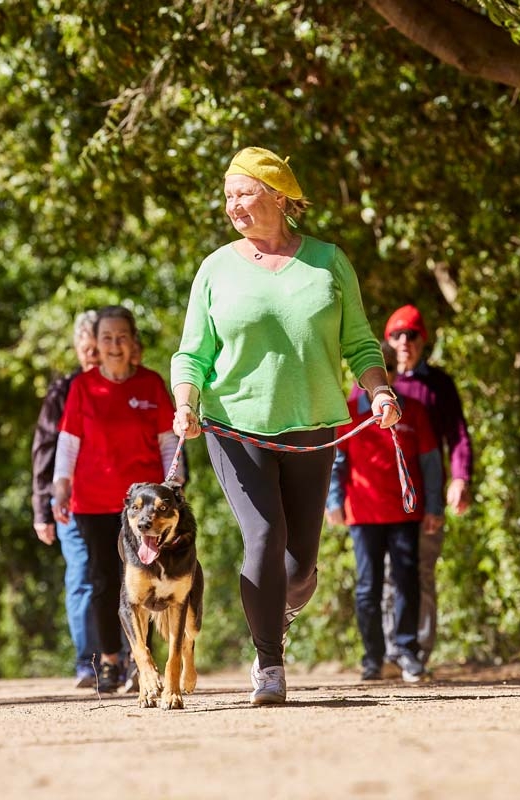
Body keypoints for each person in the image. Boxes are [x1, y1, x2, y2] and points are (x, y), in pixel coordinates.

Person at [171, 146, 401, 706]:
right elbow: (192, 354)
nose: (233, 206)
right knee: (265, 536)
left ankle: (283, 599)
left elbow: (359, 341)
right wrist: (186, 402)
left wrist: (379, 390)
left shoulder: (328, 261)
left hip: (315, 424)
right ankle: (269, 663)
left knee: (299, 565)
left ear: (277, 195)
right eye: (227, 197)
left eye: (243, 194)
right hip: (234, 424)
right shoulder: (216, 268)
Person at [53, 306, 181, 693]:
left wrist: (174, 484)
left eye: (121, 336)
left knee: (147, 583)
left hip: (144, 510)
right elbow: (68, 443)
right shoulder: (83, 386)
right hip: (94, 502)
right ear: (96, 343)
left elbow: (168, 442)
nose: (113, 345)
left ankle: (141, 661)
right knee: (104, 581)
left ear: (132, 342)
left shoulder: (151, 385)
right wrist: (61, 486)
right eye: (106, 337)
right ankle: (109, 659)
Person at [325, 342, 444, 683]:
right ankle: (373, 658)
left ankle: (407, 652)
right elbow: (337, 462)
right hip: (362, 514)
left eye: (391, 368)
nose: (387, 375)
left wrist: (435, 506)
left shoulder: (414, 411)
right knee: (368, 588)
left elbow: (430, 463)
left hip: (406, 512)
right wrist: (333, 502)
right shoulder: (349, 412)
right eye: (380, 369)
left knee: (407, 581)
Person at [381, 304, 473, 669]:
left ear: (423, 341)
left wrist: (461, 477)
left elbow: (458, 435)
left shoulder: (438, 385)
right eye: (398, 335)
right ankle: (390, 651)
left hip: (426, 497)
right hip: (383, 502)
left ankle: (415, 652)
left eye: (413, 335)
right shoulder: (379, 385)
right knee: (388, 573)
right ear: (388, 341)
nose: (405, 342)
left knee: (421, 572)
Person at [31, 310, 102, 688]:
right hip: (72, 504)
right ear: (77, 348)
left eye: (99, 347)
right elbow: (44, 450)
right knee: (81, 577)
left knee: (120, 577)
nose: (92, 355)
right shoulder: (63, 392)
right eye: (86, 348)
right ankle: (87, 662)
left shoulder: (127, 386)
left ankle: (122, 658)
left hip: (116, 503)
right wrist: (42, 508)